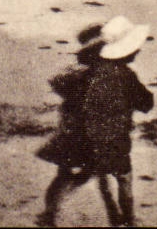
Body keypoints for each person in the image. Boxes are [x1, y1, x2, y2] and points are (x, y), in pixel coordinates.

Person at [83, 16, 154, 227]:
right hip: (117, 135)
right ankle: (128, 220)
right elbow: (146, 102)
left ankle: (113, 213)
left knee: (102, 173)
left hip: (93, 134)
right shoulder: (126, 75)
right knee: (124, 178)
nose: (138, 51)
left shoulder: (95, 71)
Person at [36, 24, 106, 228]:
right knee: (87, 171)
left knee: (67, 173)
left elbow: (56, 82)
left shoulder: (80, 71)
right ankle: (51, 211)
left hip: (72, 128)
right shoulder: (89, 72)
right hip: (82, 130)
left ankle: (51, 212)